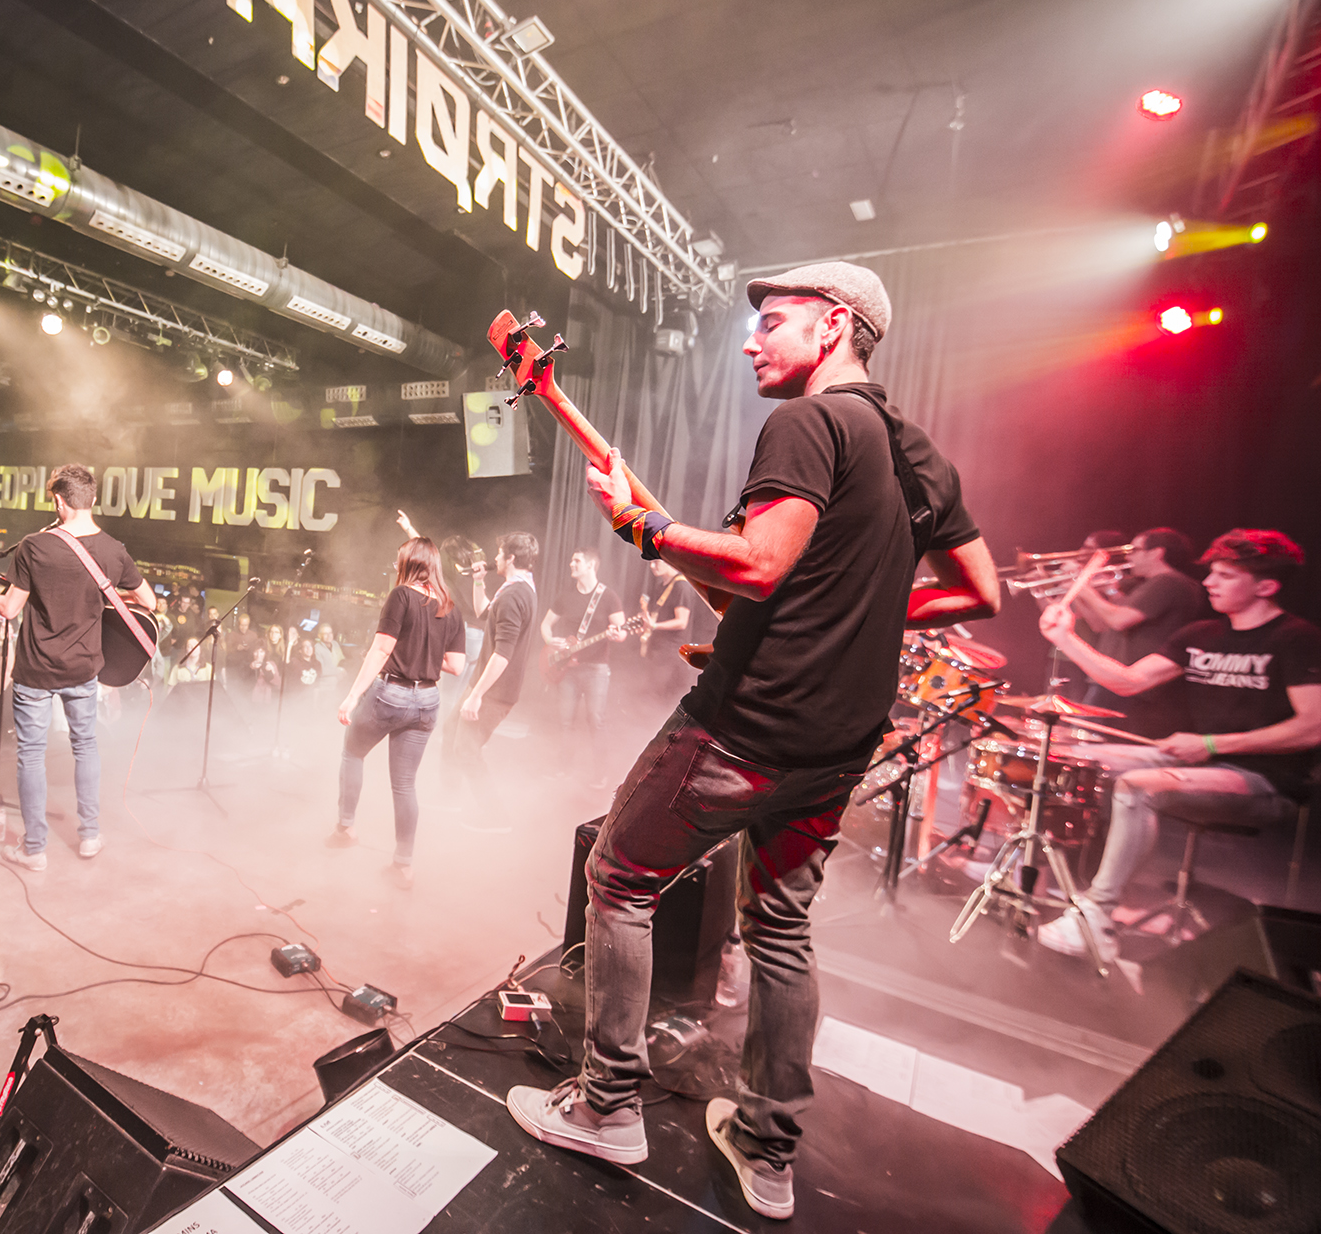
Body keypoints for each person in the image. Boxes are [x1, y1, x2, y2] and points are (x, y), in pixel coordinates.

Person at [505, 262, 998, 1221]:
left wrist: (645, 529)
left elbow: (762, 569)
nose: (750, 339)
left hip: (746, 729)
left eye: (774, 321)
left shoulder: (812, 423)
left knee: (619, 879)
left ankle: (606, 1107)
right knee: (780, 928)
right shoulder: (918, 456)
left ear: (834, 325)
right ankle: (770, 1153)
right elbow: (980, 590)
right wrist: (849, 611)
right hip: (836, 751)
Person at [1034, 529, 1321, 957]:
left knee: (1138, 787)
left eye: (1225, 575)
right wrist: (1065, 638)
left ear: (1266, 586)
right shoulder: (1201, 634)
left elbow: (1312, 727)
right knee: (1067, 758)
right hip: (1201, 762)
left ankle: (1097, 918)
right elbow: (1128, 681)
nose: (1209, 582)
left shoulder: (1297, 639)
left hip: (1265, 780)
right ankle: (1034, 882)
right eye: (1212, 573)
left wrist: (1213, 745)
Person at [0, 464, 153, 871]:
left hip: (36, 670)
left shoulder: (34, 546)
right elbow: (149, 602)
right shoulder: (114, 550)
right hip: (84, 668)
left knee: (31, 755)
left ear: (58, 501)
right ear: (92, 499)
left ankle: (34, 850)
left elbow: (9, 608)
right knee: (85, 746)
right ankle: (89, 836)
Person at [329, 537, 468, 888]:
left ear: (409, 564)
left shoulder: (401, 596)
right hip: (428, 701)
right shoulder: (450, 606)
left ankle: (346, 828)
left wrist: (351, 697)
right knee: (405, 785)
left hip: (392, 695)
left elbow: (380, 650)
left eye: (398, 561)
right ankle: (403, 866)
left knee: (352, 752)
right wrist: (423, 652)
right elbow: (457, 665)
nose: (396, 567)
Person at [1069, 527, 1207, 737]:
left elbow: (1119, 620)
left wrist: (1081, 584)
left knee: (1086, 744)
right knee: (1084, 739)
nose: (1128, 556)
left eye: (1135, 550)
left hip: (1128, 682)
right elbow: (1100, 625)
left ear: (1157, 553)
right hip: (1112, 678)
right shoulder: (1149, 584)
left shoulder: (1168, 581)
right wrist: (1096, 591)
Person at [456, 531, 540, 828]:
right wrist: (479, 581)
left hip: (493, 692)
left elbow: (503, 654)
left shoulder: (514, 595)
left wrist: (476, 695)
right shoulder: (517, 589)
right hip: (489, 688)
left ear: (510, 558)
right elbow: (482, 612)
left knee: (466, 751)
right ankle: (450, 797)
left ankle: (495, 818)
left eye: (499, 553)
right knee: (453, 734)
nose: (494, 558)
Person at [541, 548, 629, 784]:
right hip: (568, 669)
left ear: (591, 566)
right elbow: (546, 624)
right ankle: (563, 768)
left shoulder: (608, 597)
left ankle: (600, 774)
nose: (572, 564)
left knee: (595, 721)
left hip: (595, 670)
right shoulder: (565, 596)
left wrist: (616, 635)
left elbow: (622, 632)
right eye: (572, 560)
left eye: (577, 561)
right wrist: (550, 641)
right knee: (565, 720)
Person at [640, 556, 694, 704]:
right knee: (649, 692)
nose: (652, 566)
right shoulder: (660, 586)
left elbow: (681, 622)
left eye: (656, 562)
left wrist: (654, 626)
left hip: (670, 654)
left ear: (669, 561)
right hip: (656, 651)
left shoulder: (681, 586)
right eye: (651, 562)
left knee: (656, 696)